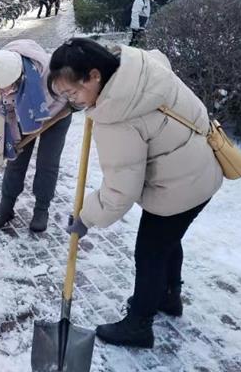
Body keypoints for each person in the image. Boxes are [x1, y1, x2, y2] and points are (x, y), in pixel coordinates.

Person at [47, 38, 223, 348]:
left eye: (73, 93)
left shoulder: (117, 117)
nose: (72, 102)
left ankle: (139, 324)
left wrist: (85, 217)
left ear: (95, 75)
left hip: (178, 186)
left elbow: (119, 192)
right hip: (200, 170)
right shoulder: (142, 72)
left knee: (149, 252)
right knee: (168, 240)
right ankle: (169, 297)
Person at [0, 40, 71, 233]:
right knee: (16, 159)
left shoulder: (51, 72)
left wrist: (75, 105)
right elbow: (2, 109)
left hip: (57, 115)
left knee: (48, 162)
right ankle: (6, 207)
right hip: (20, 116)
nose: (4, 91)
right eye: (1, 88)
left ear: (21, 74)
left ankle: (41, 209)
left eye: (9, 86)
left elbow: (74, 93)